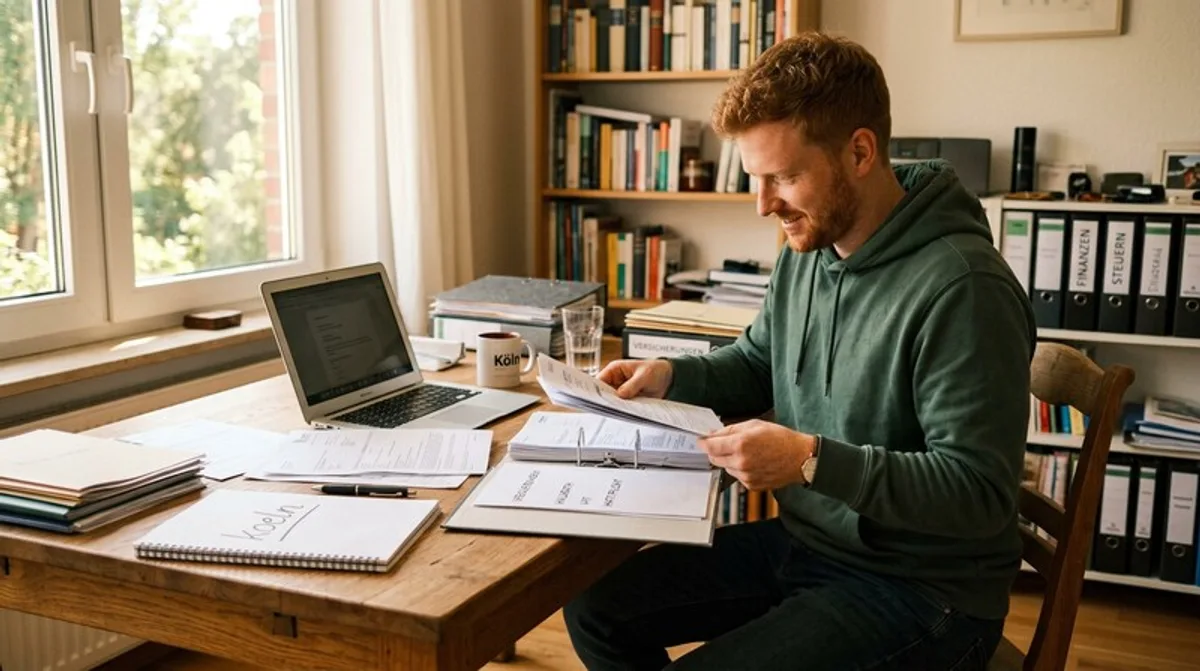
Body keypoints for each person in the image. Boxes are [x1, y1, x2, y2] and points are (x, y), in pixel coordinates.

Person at [563, 32, 1036, 671]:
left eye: (783, 176)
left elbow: (977, 494)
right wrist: (670, 376)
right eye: (756, 178)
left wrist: (810, 461)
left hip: (923, 590)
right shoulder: (808, 249)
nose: (764, 206)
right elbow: (760, 362)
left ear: (860, 151)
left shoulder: (965, 288)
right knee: (594, 609)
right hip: (812, 542)